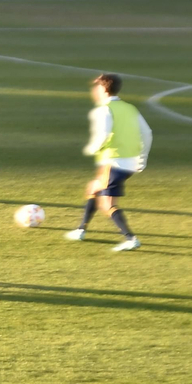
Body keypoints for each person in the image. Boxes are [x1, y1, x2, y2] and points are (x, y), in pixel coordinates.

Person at [66, 73, 151, 251]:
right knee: (94, 188)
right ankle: (81, 229)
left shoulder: (104, 109)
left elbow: (103, 135)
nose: (94, 91)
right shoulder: (129, 108)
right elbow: (147, 133)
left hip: (114, 162)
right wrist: (142, 159)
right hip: (129, 163)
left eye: (96, 87)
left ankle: (130, 238)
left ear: (104, 89)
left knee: (108, 205)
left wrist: (93, 148)